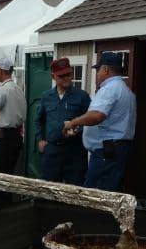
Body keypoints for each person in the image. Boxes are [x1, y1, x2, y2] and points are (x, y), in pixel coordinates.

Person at [63, 53, 136, 192]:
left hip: (107, 151)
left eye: (98, 70)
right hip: (118, 148)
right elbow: (111, 122)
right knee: (109, 189)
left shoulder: (109, 89)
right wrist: (83, 128)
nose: (97, 74)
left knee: (95, 193)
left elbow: (97, 116)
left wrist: (73, 122)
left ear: (106, 70)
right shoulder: (125, 90)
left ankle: (91, 215)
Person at [35, 57, 91, 185]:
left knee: (75, 192)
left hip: (75, 152)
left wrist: (78, 130)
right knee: (48, 190)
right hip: (52, 151)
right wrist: (40, 140)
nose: (67, 78)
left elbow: (90, 122)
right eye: (62, 75)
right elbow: (39, 121)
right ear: (53, 76)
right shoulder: (46, 96)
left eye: (69, 74)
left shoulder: (82, 96)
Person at [0, 57, 26, 204]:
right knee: (11, 174)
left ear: (0, 70)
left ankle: (3, 209)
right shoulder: (18, 90)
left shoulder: (2, 90)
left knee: (1, 176)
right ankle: (10, 205)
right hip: (16, 135)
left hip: (3, 137)